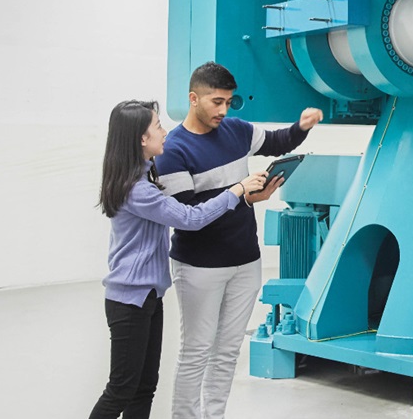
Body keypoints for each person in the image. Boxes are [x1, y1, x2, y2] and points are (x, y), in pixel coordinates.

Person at [157, 62, 323, 419]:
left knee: (229, 349)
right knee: (196, 351)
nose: (223, 110)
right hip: (199, 266)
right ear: (193, 98)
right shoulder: (173, 151)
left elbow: (279, 141)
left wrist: (302, 127)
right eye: (216, 102)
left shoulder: (235, 130)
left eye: (229, 102)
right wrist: (242, 195)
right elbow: (188, 217)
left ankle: (213, 414)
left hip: (246, 260)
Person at [90, 100, 267, 419]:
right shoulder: (137, 190)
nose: (165, 131)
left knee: (144, 388)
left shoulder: (143, 178)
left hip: (147, 298)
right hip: (129, 302)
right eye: (157, 126)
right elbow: (191, 218)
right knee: (120, 390)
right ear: (142, 139)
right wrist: (237, 190)